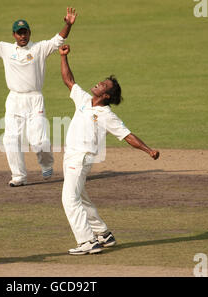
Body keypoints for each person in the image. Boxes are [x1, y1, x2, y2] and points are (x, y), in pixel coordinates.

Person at [0, 7, 77, 187]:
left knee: (39, 140)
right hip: (14, 99)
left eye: (25, 32)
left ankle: (46, 163)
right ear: (14, 35)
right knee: (10, 139)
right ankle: (18, 176)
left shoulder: (39, 48)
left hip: (34, 99)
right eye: (19, 33)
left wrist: (67, 24)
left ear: (29, 33)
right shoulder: (5, 49)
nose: (22, 36)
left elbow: (58, 39)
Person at [58, 44, 160, 255]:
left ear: (106, 95)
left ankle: (87, 241)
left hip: (81, 158)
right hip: (71, 157)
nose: (98, 83)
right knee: (82, 198)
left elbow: (127, 135)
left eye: (103, 84)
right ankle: (103, 234)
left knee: (70, 199)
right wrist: (63, 57)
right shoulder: (84, 100)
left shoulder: (107, 115)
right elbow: (69, 81)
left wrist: (148, 150)